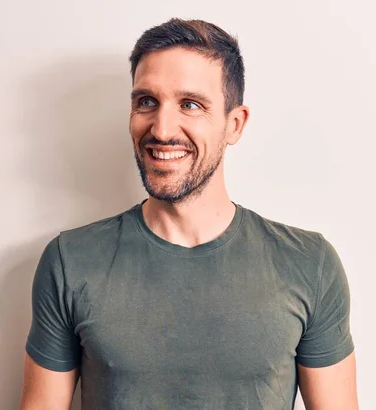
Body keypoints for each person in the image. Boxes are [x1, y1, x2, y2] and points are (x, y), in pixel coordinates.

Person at [19, 18, 358, 410]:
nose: (162, 129)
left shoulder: (309, 264)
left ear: (235, 124)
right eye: (146, 101)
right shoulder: (69, 261)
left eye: (190, 104)